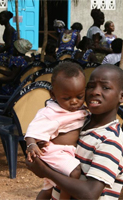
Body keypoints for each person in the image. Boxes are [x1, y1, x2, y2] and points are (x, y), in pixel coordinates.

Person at [26, 64, 123, 200]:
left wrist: (45, 171)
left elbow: (90, 194)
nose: (95, 92)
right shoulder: (79, 123)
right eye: (90, 86)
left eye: (105, 87)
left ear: (122, 97)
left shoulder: (110, 140)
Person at [25, 62, 89, 200]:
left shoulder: (81, 109)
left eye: (79, 96)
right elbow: (32, 131)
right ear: (53, 95)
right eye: (67, 98)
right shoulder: (50, 113)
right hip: (53, 151)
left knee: (48, 188)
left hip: (65, 154)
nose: (74, 102)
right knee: (74, 172)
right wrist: (32, 145)